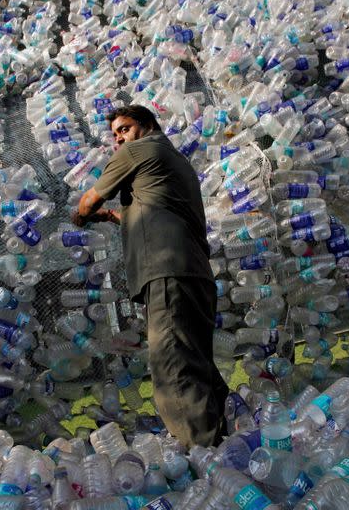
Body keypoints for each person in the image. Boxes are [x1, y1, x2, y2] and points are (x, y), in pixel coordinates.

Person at [71, 104, 229, 448]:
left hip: (166, 270)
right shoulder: (174, 161)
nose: (119, 140)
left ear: (148, 125)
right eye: (115, 135)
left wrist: (81, 216)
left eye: (124, 129)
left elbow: (88, 200)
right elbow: (154, 207)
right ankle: (228, 442)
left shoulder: (138, 149)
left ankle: (203, 456)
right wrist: (115, 217)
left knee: (173, 366)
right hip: (194, 272)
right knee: (196, 363)